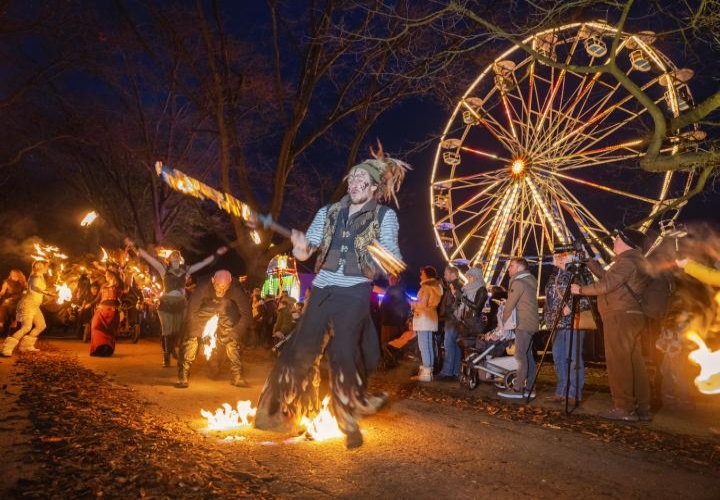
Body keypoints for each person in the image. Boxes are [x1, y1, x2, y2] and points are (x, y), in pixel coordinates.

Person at [253, 145, 410, 449]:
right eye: (352, 179)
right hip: (323, 288)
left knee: (343, 348)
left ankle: (348, 411)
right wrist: (299, 246)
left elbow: (393, 259)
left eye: (361, 180)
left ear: (375, 188)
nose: (354, 184)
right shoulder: (327, 213)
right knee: (302, 349)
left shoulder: (384, 217)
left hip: (354, 290)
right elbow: (305, 250)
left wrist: (380, 254)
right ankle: (278, 408)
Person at [571, 228, 651, 422]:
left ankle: (624, 408)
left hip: (619, 315)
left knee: (618, 362)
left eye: (616, 238)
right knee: (634, 363)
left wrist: (580, 289)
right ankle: (642, 407)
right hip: (631, 315)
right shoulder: (634, 261)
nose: (614, 242)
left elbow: (606, 285)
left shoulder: (627, 262)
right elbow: (607, 278)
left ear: (626, 242)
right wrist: (587, 259)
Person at [124, 237, 228, 367]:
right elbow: (148, 258)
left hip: (180, 303)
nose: (175, 257)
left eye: (177, 255)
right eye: (173, 255)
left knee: (178, 331)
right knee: (167, 330)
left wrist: (217, 254)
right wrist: (134, 245)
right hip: (166, 302)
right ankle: (166, 357)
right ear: (169, 259)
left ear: (180, 259)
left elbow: (203, 263)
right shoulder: (163, 268)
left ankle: (172, 348)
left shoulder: (186, 269)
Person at [176, 269, 251, 388]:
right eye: (217, 286)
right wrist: (199, 332)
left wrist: (234, 333)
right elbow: (192, 311)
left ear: (230, 284)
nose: (221, 290)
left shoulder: (236, 289)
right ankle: (183, 375)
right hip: (205, 308)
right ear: (212, 281)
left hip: (226, 309)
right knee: (191, 338)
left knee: (232, 339)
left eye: (224, 287)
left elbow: (247, 315)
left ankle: (237, 376)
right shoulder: (203, 286)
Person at [543, 249, 593, 405]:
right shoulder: (553, 276)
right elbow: (549, 300)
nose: (556, 257)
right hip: (556, 322)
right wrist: (547, 317)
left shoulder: (580, 273)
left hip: (573, 322)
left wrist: (572, 308)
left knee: (573, 359)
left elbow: (588, 296)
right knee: (559, 358)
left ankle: (574, 393)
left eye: (560, 255)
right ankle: (561, 391)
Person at [498, 257, 539, 399]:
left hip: (523, 323)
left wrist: (502, 323)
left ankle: (518, 388)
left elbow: (510, 305)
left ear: (520, 268)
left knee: (520, 355)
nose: (509, 269)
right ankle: (530, 388)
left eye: (512, 266)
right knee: (527, 356)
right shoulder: (530, 281)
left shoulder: (518, 282)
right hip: (531, 323)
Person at [439, 266, 488, 380]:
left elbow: (476, 307)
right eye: (468, 277)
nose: (468, 279)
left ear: (476, 277)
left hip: (471, 323)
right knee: (458, 346)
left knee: (453, 346)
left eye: (470, 277)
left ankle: (453, 372)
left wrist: (461, 298)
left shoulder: (482, 290)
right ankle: (456, 371)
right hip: (462, 320)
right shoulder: (467, 288)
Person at [1, 260, 50, 356]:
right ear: (40, 267)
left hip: (35, 305)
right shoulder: (35, 276)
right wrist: (46, 293)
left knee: (41, 325)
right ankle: (6, 349)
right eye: (46, 266)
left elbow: (36, 290)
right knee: (26, 327)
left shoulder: (40, 276)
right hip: (28, 304)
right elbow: (34, 287)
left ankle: (26, 346)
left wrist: (49, 296)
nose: (48, 268)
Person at [412, 265, 443, 382]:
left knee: (424, 346)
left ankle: (426, 372)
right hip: (432, 317)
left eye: (422, 273)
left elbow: (423, 304)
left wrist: (413, 304)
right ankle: (429, 370)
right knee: (429, 345)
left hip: (423, 318)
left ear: (426, 275)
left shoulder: (426, 287)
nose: (420, 275)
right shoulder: (436, 287)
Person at [90, 269, 124, 357]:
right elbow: (98, 298)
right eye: (105, 274)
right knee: (95, 326)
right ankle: (98, 348)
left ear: (112, 275)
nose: (105, 276)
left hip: (112, 311)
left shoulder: (119, 286)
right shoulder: (104, 285)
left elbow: (123, 291)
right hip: (100, 310)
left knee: (108, 331)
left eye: (107, 274)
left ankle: (106, 349)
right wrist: (90, 304)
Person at [379, 274, 411, 345]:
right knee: (397, 345)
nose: (390, 280)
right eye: (390, 279)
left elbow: (384, 307)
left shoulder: (392, 290)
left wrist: (383, 319)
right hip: (397, 323)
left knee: (388, 345)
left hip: (390, 324)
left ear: (397, 280)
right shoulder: (402, 291)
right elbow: (407, 306)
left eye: (392, 278)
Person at [0, 269, 27, 336]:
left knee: (14, 320)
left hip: (18, 302)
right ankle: (1, 328)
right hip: (8, 301)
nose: (12, 275)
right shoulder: (7, 282)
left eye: (14, 274)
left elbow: (28, 291)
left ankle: (11, 336)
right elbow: (2, 291)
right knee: (2, 314)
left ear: (19, 275)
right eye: (11, 274)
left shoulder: (23, 283)